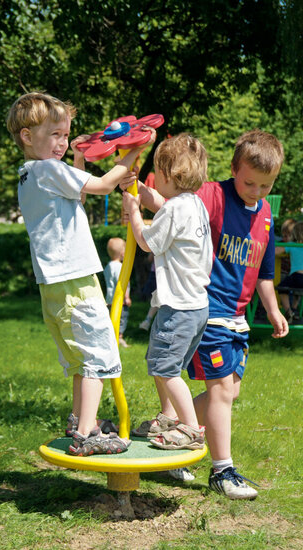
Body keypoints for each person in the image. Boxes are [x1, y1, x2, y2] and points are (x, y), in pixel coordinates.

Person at [122, 129, 289, 498]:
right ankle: (222, 470)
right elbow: (171, 209)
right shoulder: (212, 195)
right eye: (250, 183)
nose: (257, 192)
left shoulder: (264, 216)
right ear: (233, 169)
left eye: (266, 186)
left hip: (238, 317)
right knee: (219, 392)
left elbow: (263, 272)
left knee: (228, 393)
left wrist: (274, 309)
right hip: (206, 307)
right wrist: (138, 195)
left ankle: (172, 433)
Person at [6, 91, 152, 456]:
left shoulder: (29, 176)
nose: (63, 141)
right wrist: (132, 152)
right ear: (27, 135)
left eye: (66, 135)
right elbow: (102, 187)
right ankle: (88, 433)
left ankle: (77, 419)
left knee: (78, 357)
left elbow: (78, 195)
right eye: (54, 134)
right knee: (98, 354)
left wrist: (79, 157)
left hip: (53, 285)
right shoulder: (49, 170)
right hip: (75, 279)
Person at [122, 132, 213, 453]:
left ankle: (190, 428)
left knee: (164, 368)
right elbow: (167, 208)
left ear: (168, 175)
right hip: (196, 306)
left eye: (156, 172)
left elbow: (148, 241)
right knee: (160, 362)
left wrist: (134, 211)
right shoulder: (194, 205)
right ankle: (168, 416)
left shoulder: (175, 211)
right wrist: (145, 195)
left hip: (178, 307)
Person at [104, 237, 132, 347]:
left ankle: (111, 338)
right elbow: (121, 283)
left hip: (109, 299)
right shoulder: (120, 267)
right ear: (122, 253)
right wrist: (127, 297)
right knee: (122, 318)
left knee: (112, 318)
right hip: (120, 300)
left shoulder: (108, 266)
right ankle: (119, 337)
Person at [276, 220, 303, 323]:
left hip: (297, 276)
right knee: (298, 291)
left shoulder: (292, 244)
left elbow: (276, 251)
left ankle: (288, 311)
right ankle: (295, 310)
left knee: (282, 288)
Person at [139, 252, 159, 331]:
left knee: (156, 299)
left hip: (156, 273)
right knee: (157, 299)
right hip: (158, 274)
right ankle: (149, 320)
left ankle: (148, 320)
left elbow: (149, 259)